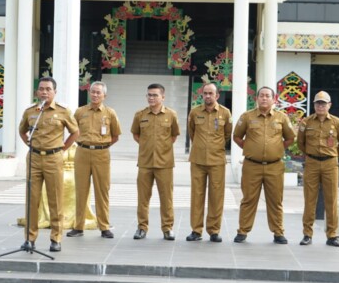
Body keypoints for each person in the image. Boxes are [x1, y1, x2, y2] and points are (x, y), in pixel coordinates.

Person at [19, 77, 79, 252]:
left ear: (55, 92)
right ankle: (29, 238)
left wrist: (63, 148)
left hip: (54, 158)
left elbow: (75, 132)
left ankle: (56, 238)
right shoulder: (31, 112)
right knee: (32, 199)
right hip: (34, 159)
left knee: (55, 199)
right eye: (41, 89)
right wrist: (29, 144)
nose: (44, 92)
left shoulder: (63, 111)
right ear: (37, 92)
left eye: (48, 89)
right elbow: (22, 130)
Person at [233, 86, 295, 244]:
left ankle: (278, 232)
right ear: (257, 98)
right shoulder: (247, 116)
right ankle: (243, 231)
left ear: (274, 99)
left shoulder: (281, 117)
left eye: (268, 96)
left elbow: (290, 138)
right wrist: (251, 148)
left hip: (274, 166)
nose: (264, 98)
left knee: (275, 200)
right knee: (248, 199)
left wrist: (277, 149)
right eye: (261, 95)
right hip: (251, 165)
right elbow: (237, 136)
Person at [67, 81, 122, 239]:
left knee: (102, 191)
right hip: (82, 152)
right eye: (93, 92)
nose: (95, 95)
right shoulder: (80, 112)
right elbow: (72, 131)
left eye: (99, 92)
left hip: (101, 154)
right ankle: (78, 226)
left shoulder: (110, 113)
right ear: (89, 93)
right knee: (81, 190)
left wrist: (101, 146)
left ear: (105, 95)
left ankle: (104, 226)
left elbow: (116, 136)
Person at [297, 90, 339, 247]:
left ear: (329, 105)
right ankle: (307, 234)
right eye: (318, 103)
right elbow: (301, 143)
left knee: (331, 200)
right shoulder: (306, 122)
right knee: (309, 200)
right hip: (311, 163)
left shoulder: (336, 122)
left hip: (330, 164)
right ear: (314, 105)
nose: (320, 106)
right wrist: (311, 155)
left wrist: (332, 154)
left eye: (323, 103)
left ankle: (332, 235)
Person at [130, 83, 180, 241]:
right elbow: (136, 135)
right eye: (149, 95)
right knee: (143, 198)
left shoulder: (171, 115)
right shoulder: (140, 115)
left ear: (163, 97)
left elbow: (173, 136)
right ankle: (142, 227)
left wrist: (161, 148)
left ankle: (167, 228)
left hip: (164, 163)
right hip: (145, 162)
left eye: (155, 95)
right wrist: (147, 147)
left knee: (166, 198)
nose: (151, 98)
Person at [186, 83, 232, 242]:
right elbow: (192, 132)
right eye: (205, 93)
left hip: (217, 160)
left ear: (217, 95)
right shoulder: (195, 112)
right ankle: (196, 230)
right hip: (198, 160)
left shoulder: (225, 113)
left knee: (216, 196)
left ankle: (214, 230)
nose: (207, 96)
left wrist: (214, 147)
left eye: (210, 93)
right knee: (197, 195)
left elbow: (227, 134)